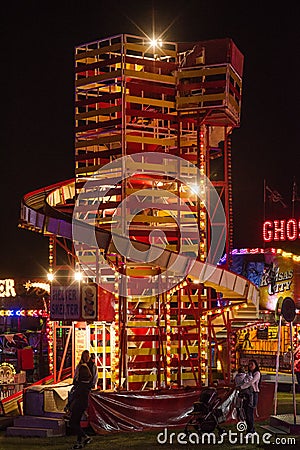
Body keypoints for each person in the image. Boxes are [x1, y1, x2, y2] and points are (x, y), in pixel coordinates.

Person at [69, 350, 93, 449]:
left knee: (72, 423)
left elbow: (75, 396)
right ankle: (79, 442)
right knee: (77, 422)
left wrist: (68, 405)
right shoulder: (86, 384)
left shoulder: (81, 386)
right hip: (83, 404)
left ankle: (86, 437)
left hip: (78, 405)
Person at [240, 359, 261, 434]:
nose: (250, 366)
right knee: (246, 412)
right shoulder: (248, 374)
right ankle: (251, 429)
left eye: (252, 364)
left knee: (249, 412)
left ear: (255, 365)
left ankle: (250, 431)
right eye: (249, 364)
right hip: (247, 394)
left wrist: (242, 387)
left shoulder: (257, 373)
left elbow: (251, 382)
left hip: (253, 393)